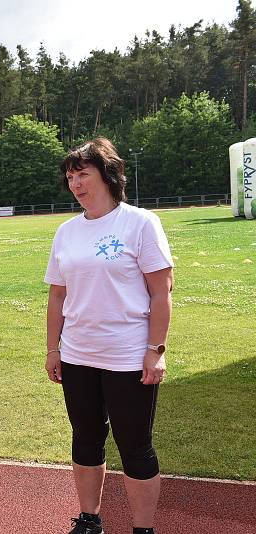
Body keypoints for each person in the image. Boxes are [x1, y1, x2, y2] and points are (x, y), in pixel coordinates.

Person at [44, 138, 174, 534]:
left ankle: (143, 528)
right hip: (78, 356)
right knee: (85, 440)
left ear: (108, 175)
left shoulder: (139, 222)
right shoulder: (66, 232)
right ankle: (89, 519)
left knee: (135, 448)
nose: (76, 184)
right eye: (70, 176)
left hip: (128, 357)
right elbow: (57, 295)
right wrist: (54, 348)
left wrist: (155, 350)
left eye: (83, 174)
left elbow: (161, 290)